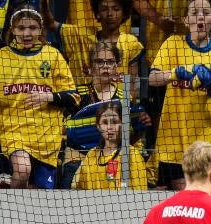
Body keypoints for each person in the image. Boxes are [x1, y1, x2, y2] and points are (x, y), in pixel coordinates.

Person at [0, 4, 77, 189]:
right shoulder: (0, 57)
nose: (27, 33)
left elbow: (73, 97)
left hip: (48, 137)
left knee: (38, 197)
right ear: (12, 29)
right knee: (22, 170)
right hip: (13, 130)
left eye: (32, 28)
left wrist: (48, 97)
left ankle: (7, 187)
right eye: (21, 28)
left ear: (41, 30)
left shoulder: (53, 55)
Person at [148, 0, 211, 190]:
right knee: (184, 196)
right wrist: (178, 72)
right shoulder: (172, 45)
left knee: (208, 196)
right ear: (185, 20)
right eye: (195, 12)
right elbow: (152, 78)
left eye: (206, 13)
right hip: (174, 143)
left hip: (210, 143)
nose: (200, 16)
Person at [62, 40, 151, 188]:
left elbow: (129, 137)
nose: (105, 66)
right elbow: (65, 130)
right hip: (78, 158)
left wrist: (140, 129)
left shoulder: (125, 98)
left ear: (117, 66)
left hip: (114, 157)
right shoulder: (77, 95)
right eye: (99, 62)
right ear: (90, 67)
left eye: (110, 62)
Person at [40, 0, 143, 86]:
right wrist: (44, 3)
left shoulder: (130, 43)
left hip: (116, 106)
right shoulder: (79, 34)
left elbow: (130, 84)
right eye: (104, 9)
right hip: (83, 105)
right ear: (97, 13)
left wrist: (125, 110)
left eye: (116, 9)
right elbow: (50, 24)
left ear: (124, 13)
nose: (110, 14)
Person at [72, 100, 148, 189]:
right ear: (98, 126)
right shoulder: (91, 155)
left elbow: (139, 190)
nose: (109, 127)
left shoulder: (131, 154)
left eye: (114, 122)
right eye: (104, 122)